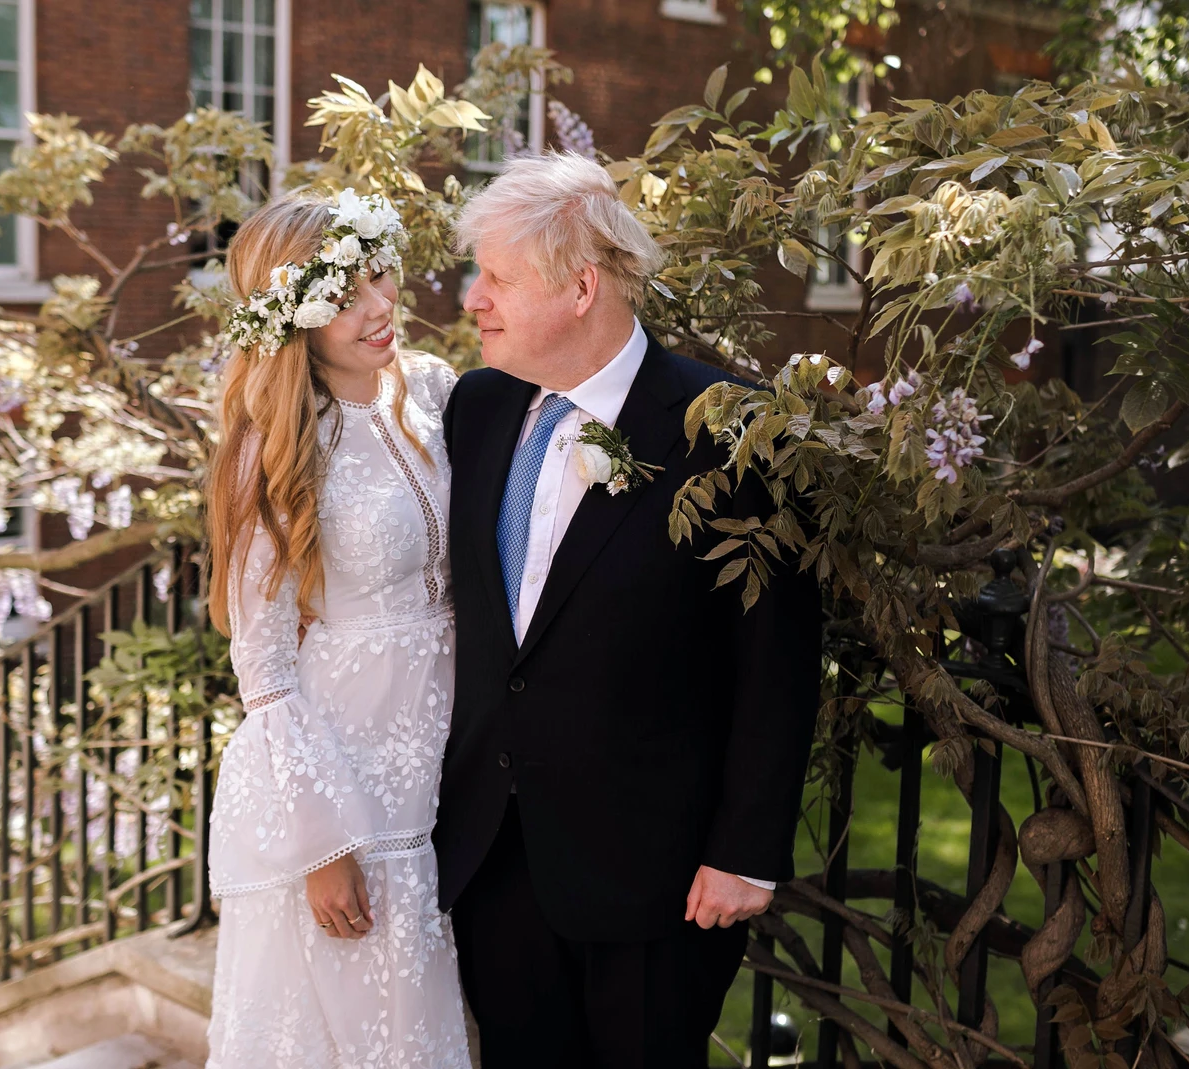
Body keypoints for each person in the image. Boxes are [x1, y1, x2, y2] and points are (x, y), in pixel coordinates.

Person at [435, 152, 823, 1069]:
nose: (471, 299)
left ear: (580, 286)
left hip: (660, 879)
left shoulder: (730, 430)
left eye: (495, 277)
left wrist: (746, 852)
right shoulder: (478, 408)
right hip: (497, 857)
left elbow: (779, 657)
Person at [201, 190, 471, 1069]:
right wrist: (323, 845)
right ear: (296, 315)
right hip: (345, 775)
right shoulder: (275, 444)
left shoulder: (437, 392)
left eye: (381, 275)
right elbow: (267, 665)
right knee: (361, 1031)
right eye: (346, 294)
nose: (380, 305)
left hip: (450, 750)